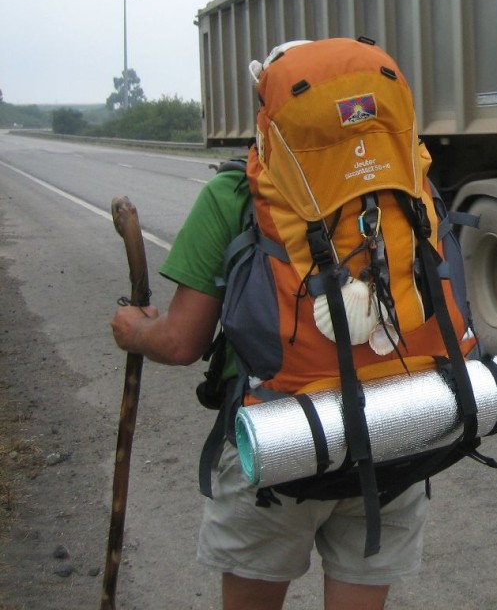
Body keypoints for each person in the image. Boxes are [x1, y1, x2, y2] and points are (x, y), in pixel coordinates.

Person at [110, 161, 428, 610]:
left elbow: (181, 341)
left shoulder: (237, 191)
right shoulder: (407, 178)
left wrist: (134, 331)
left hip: (276, 442)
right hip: (392, 434)